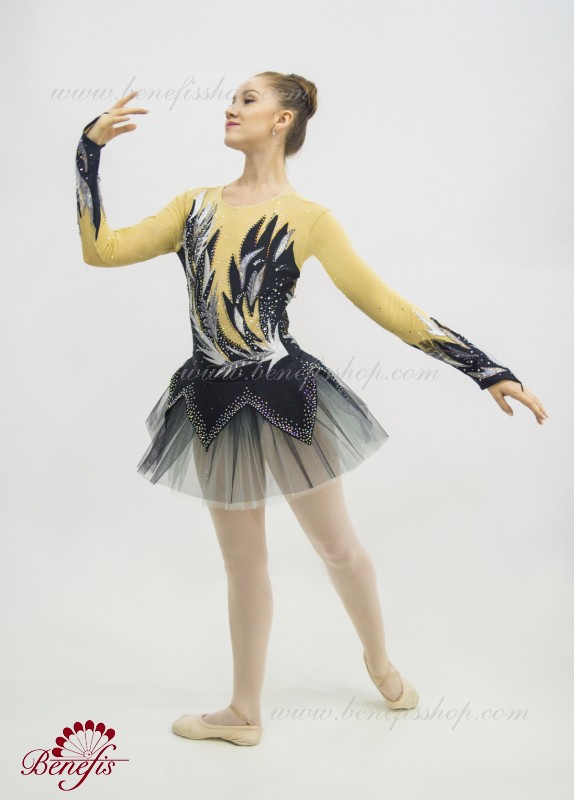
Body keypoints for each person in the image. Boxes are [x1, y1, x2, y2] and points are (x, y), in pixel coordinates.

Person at [75, 73, 548, 747]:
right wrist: (88, 152)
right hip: (211, 398)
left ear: (283, 120)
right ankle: (244, 713)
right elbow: (101, 251)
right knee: (244, 566)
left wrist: (485, 370)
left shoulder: (309, 219)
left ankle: (380, 663)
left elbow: (386, 305)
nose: (230, 107)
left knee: (336, 547)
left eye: (248, 99)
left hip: (284, 396)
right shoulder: (193, 206)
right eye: (231, 98)